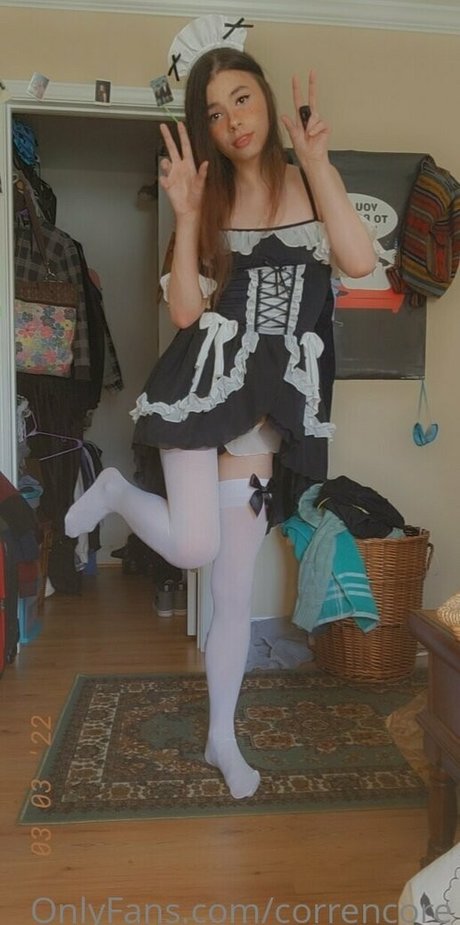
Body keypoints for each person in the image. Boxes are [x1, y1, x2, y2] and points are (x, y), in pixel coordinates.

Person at [65, 47, 377, 799]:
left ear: (265, 99)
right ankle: (114, 491)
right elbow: (184, 312)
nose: (232, 119)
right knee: (196, 544)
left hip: (266, 411)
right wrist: (185, 214)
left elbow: (358, 260)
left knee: (233, 590)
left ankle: (220, 738)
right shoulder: (207, 198)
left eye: (241, 98)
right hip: (200, 390)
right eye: (213, 111)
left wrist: (318, 161)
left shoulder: (311, 179)